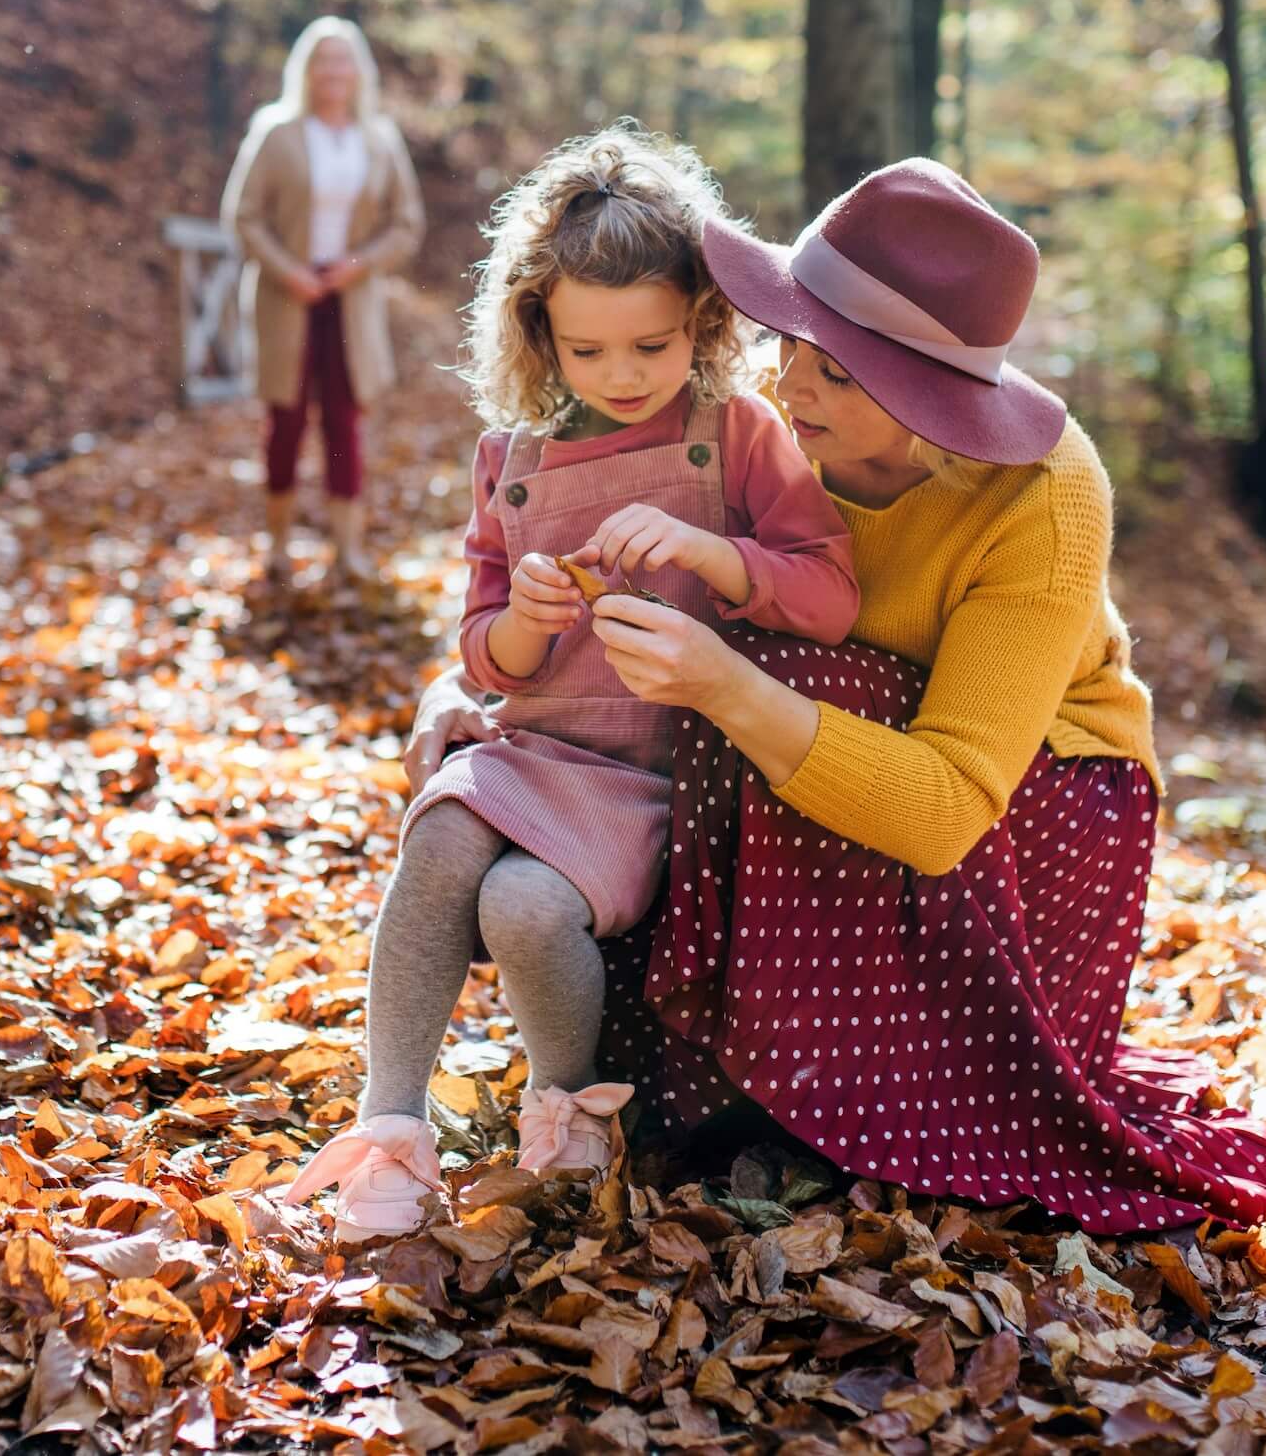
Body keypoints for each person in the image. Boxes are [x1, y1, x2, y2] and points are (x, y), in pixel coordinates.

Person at [586, 158, 1266, 1233]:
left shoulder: (1045, 498)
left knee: (780, 673)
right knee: (768, 667)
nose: (790, 389)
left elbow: (941, 808)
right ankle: (708, 1077)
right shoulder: (766, 431)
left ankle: (828, 1099)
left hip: (1037, 797)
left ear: (927, 394)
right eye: (791, 346)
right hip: (847, 743)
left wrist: (726, 683)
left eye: (835, 373)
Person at [285, 127, 859, 1241]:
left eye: (650, 345)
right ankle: (390, 1125)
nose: (623, 375)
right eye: (588, 352)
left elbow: (828, 591)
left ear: (701, 319)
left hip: (658, 766)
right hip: (533, 746)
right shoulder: (517, 458)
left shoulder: (734, 433)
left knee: (525, 906)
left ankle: (569, 1107)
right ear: (538, 332)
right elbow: (479, 652)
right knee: (440, 834)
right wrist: (523, 627)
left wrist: (713, 557)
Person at [219, 16, 425, 585]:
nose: (333, 71)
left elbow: (406, 225)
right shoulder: (276, 131)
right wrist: (290, 272)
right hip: (287, 299)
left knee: (343, 423)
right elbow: (243, 215)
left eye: (343, 59)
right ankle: (278, 543)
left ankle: (348, 549)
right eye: (322, 60)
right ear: (305, 70)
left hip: (350, 301)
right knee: (284, 421)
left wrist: (354, 267)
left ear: (359, 71)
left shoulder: (380, 139)